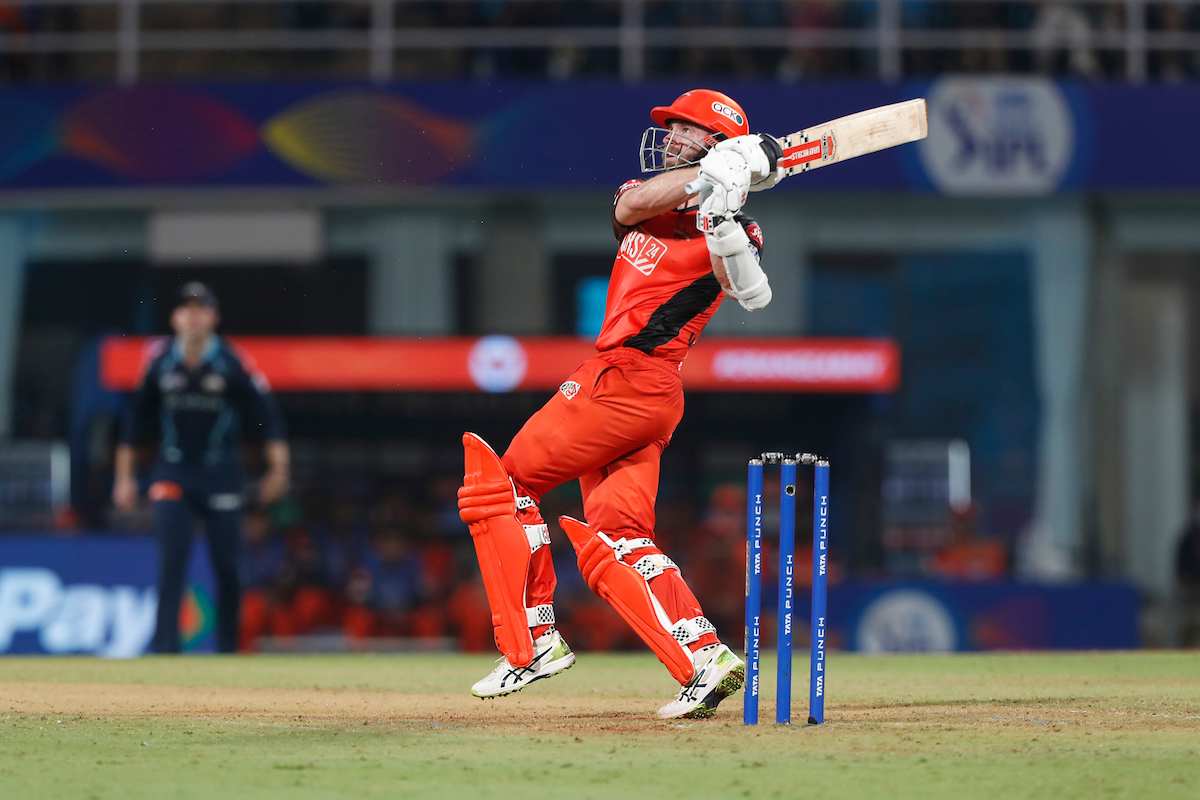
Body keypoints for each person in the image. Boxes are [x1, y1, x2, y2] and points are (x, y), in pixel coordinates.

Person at [456, 89, 783, 719]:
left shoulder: (739, 228)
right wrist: (714, 173)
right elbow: (631, 204)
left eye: (685, 130)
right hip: (641, 394)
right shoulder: (644, 198)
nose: (670, 139)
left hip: (628, 378)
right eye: (671, 129)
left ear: (717, 142)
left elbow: (749, 291)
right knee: (619, 536)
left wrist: (723, 213)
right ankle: (703, 659)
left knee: (501, 486)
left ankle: (531, 641)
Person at [113, 282, 289, 653]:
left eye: (200, 309)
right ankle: (165, 649)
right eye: (186, 309)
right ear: (175, 318)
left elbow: (267, 417)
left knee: (229, 565)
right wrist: (124, 479)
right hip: (173, 470)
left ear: (213, 317)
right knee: (172, 557)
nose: (193, 316)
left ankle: (228, 650)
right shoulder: (159, 362)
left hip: (221, 472)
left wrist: (278, 470)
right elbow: (134, 425)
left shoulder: (232, 362)